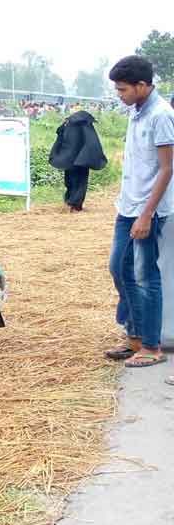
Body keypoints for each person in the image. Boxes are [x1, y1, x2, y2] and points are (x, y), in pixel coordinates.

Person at [102, 55, 174, 369]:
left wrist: (147, 214)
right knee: (119, 268)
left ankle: (151, 346)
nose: (119, 94)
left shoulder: (160, 115)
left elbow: (167, 168)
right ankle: (134, 336)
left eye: (123, 89)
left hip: (149, 210)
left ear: (142, 86)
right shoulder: (136, 111)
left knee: (146, 276)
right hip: (127, 206)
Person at [48, 111, 108, 212]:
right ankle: (75, 205)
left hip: (69, 159)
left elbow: (60, 136)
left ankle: (68, 202)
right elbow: (92, 143)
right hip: (82, 160)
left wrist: (61, 154)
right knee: (80, 183)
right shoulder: (85, 125)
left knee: (70, 181)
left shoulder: (68, 124)